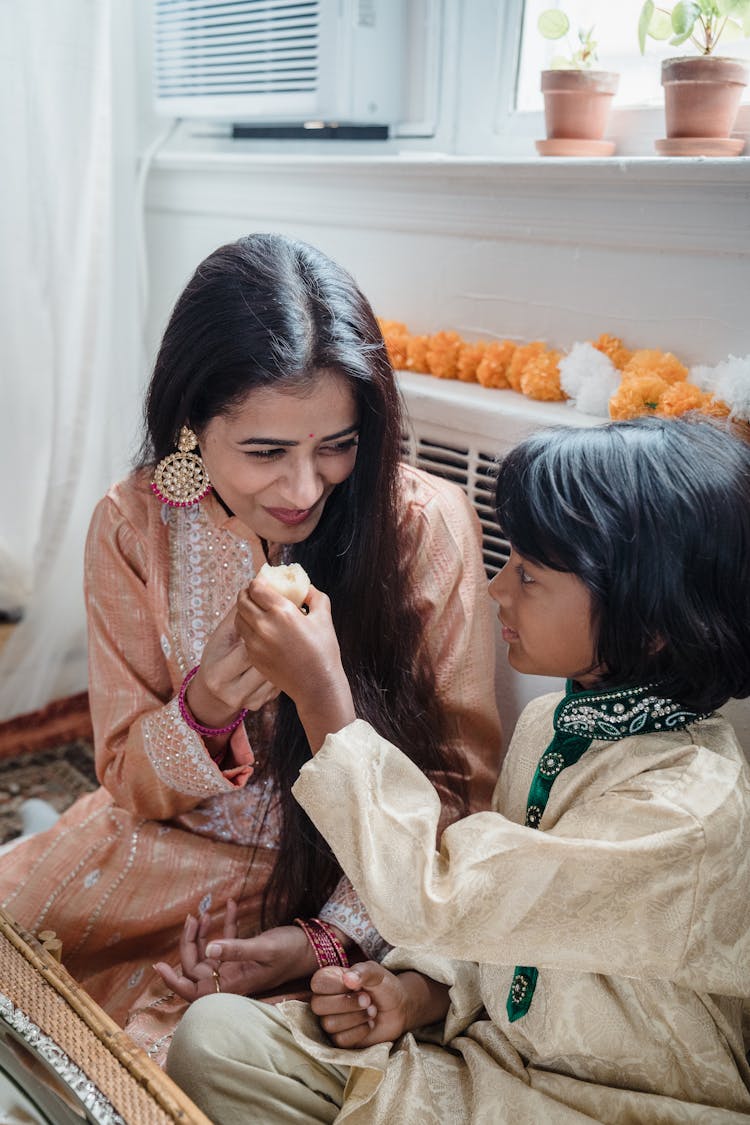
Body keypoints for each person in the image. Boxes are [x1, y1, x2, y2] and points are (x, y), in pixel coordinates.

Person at [0, 233, 502, 1065]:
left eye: (335, 446)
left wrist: (324, 940)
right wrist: (208, 705)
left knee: (167, 1059)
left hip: (346, 878)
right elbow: (126, 775)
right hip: (163, 845)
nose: (303, 489)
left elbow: (457, 795)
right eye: (265, 452)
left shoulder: (424, 527)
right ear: (192, 429)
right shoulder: (136, 526)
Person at [167, 415, 750, 1123]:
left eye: (529, 574)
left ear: (652, 623)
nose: (499, 589)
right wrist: (420, 992)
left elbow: (437, 892)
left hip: (613, 1107)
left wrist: (323, 698)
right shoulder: (551, 725)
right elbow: (496, 919)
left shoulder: (687, 813)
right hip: (491, 1067)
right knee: (212, 1039)